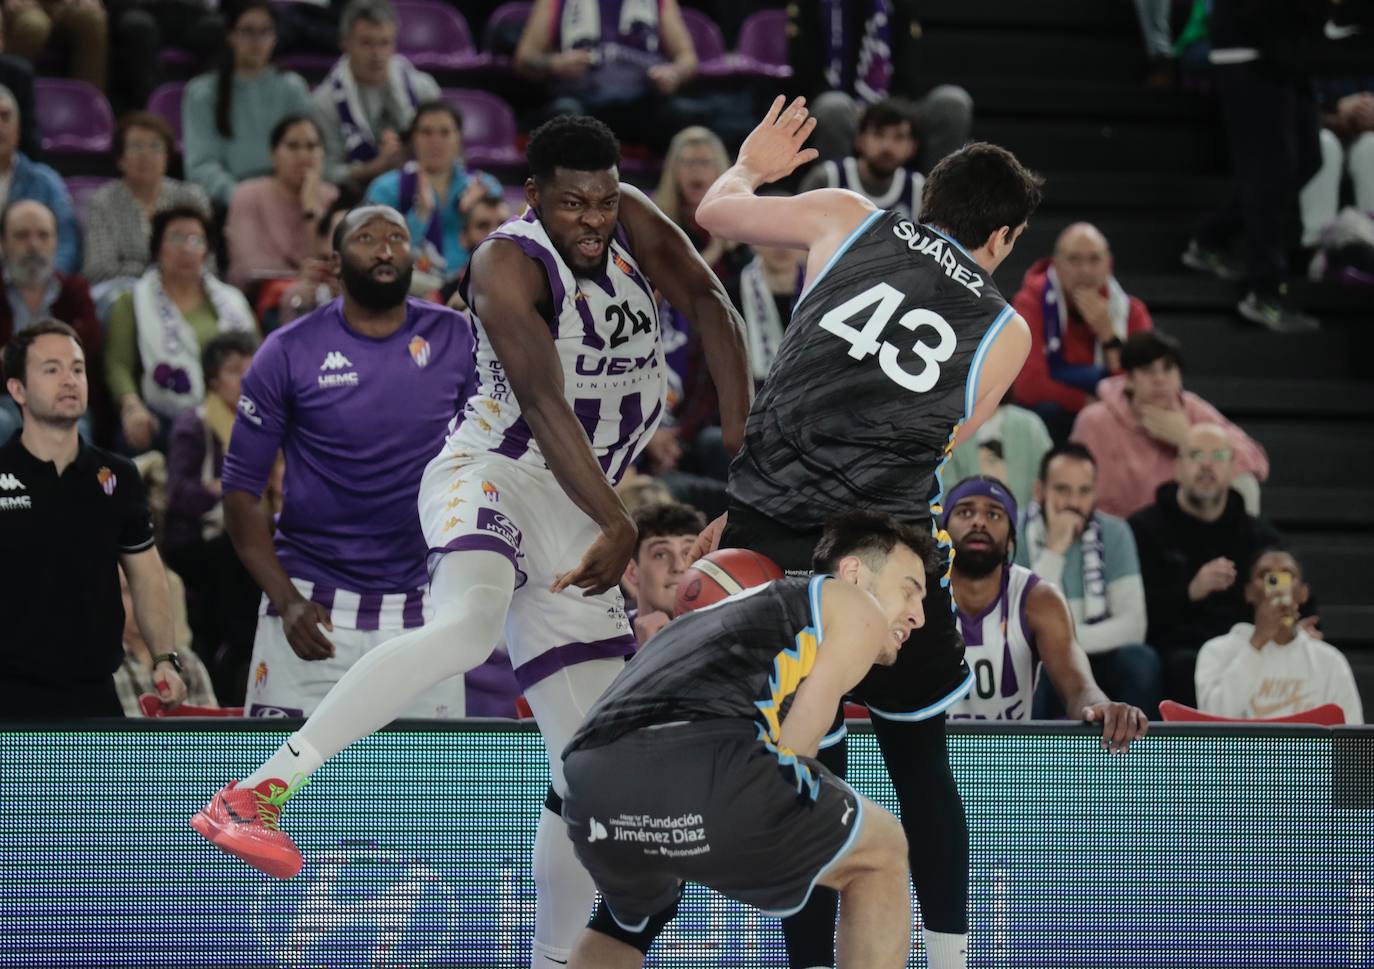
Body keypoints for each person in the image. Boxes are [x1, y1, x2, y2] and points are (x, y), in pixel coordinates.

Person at [190, 117, 752, 969]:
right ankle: (256, 793)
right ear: (534, 199)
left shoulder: (629, 217)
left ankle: (555, 959)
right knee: (467, 628)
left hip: (582, 506)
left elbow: (712, 304)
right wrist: (621, 521)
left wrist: (743, 468)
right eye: (571, 205)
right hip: (495, 472)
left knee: (590, 776)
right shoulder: (503, 262)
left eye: (602, 201)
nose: (593, 221)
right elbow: (540, 399)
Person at [693, 97, 1040, 969]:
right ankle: (953, 959)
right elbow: (943, 436)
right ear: (1000, 238)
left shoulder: (848, 215)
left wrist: (751, 165)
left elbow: (712, 213)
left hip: (771, 528)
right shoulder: (1005, 329)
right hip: (884, 553)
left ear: (928, 200)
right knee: (922, 768)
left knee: (805, 768)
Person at [561, 510, 928, 969]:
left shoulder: (695, 629)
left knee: (626, 924)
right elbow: (800, 741)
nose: (918, 615)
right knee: (883, 848)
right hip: (706, 763)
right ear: (853, 572)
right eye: (909, 590)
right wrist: (772, 828)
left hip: (589, 781)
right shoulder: (854, 606)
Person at [189, 205, 474, 722]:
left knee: (429, 801)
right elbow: (240, 491)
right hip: (310, 610)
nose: (385, 248)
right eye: (367, 238)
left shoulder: (456, 338)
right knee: (282, 797)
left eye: (397, 237)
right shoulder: (288, 351)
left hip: (423, 610)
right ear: (336, 264)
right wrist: (283, 598)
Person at [0, 319, 187, 718]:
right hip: (9, 696)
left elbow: (147, 573)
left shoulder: (118, 475)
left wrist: (164, 658)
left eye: (78, 369)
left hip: (96, 695)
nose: (69, 380)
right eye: (51, 370)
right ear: (17, 389)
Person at [941, 475, 1149, 737]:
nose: (979, 521)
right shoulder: (919, 595)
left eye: (994, 514)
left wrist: (1100, 706)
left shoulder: (1039, 599)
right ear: (943, 532)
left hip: (1009, 761)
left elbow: (1077, 686)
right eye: (965, 511)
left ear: (1010, 540)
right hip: (932, 760)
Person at [1129, 423, 1314, 708]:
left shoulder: (1261, 537)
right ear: (1177, 467)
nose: (1206, 466)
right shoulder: (1144, 529)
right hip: (1176, 651)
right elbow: (1135, 615)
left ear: (1232, 470)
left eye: (1217, 457)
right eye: (1196, 455)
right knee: (1177, 664)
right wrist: (1190, 591)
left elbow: (1301, 598)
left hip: (1247, 645)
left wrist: (1300, 628)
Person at [1179, 0, 1323, 332]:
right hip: (1250, 51)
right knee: (1272, 173)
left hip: (1291, 52)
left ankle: (1211, 236)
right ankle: (1265, 291)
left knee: (1307, 161)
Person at [1015, 444, 1161, 719]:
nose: (1073, 502)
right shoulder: (1017, 531)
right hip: (1044, 661)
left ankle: (1134, 756)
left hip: (1101, 656)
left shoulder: (1115, 532)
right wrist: (1054, 552)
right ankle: (1031, 758)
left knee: (1141, 661)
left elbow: (1133, 626)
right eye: (1062, 490)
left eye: (1084, 491)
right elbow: (1025, 622)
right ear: (1040, 491)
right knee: (1031, 665)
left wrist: (1064, 642)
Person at [105, 206, 256, 454]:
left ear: (206, 250)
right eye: (176, 238)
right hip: (165, 413)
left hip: (233, 408)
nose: (186, 248)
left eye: (196, 240)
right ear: (157, 247)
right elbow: (118, 365)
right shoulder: (131, 301)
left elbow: (259, 356)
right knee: (132, 436)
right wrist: (131, 406)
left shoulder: (233, 300)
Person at [1069, 330, 1268, 519]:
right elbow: (1082, 489)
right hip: (1124, 531)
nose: (1160, 379)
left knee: (1244, 482)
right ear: (1128, 379)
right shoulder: (1095, 421)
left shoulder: (1192, 408)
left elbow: (1256, 459)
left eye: (1168, 369)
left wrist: (1188, 439)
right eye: (1148, 370)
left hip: (1188, 525)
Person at [515, 0, 752, 153]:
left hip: (640, 105)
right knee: (563, 116)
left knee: (684, 116)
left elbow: (687, 59)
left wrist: (673, 75)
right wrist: (555, 63)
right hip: (583, 103)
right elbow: (525, 58)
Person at [164, 330, 261, 704]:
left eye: (251, 366)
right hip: (197, 540)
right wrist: (227, 490)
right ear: (212, 379)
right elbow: (179, 493)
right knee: (233, 550)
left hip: (250, 532)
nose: (247, 375)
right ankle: (237, 652)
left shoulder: (267, 420)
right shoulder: (196, 424)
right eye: (235, 369)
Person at [785, 1, 973, 173]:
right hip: (838, 107)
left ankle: (937, 199)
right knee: (834, 108)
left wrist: (891, 112)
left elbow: (909, 79)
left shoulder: (897, 6)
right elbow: (804, 78)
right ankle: (833, 202)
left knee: (952, 102)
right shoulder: (811, 6)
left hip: (894, 104)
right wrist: (860, 113)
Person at [1011, 222, 1155, 443]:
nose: (1085, 270)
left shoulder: (1132, 312)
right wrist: (1090, 404)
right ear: (1056, 264)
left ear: (1109, 264)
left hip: (1112, 421)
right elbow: (1027, 386)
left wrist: (1109, 337)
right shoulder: (1030, 303)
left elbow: (1142, 389)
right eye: (1074, 260)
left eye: (1094, 259)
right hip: (1056, 420)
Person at [1195, 549, 1361, 723]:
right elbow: (1213, 725)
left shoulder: (1329, 661)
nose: (1276, 585)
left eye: (1287, 576)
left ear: (1303, 593)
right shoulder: (1217, 651)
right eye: (1265, 575)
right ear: (1249, 592)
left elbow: (1351, 735)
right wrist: (1256, 643)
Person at [182, 0, 311, 210]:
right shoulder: (202, 93)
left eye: (265, 31)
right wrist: (242, 198)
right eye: (248, 31)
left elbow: (307, 151)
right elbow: (200, 165)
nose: (257, 40)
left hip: (287, 198)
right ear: (230, 35)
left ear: (275, 37)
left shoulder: (293, 87)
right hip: (229, 203)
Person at [364, 99, 504, 285]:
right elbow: (376, 252)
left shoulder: (486, 186)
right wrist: (421, 216)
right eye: (426, 132)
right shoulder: (384, 189)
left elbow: (501, 248)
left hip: (476, 282)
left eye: (445, 132)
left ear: (459, 139)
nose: (435, 142)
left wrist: (472, 213)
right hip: (408, 285)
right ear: (413, 139)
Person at [311, 0, 439, 192]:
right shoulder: (324, 102)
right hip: (353, 199)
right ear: (345, 43)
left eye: (384, 42)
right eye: (366, 43)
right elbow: (324, 171)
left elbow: (451, 154)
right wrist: (374, 168)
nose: (377, 54)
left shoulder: (424, 89)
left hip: (423, 189)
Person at [0, 199, 101, 442]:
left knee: (77, 432)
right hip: (4, 400)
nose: (33, 245)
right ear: (3, 243)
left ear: (56, 242)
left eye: (43, 236)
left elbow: (90, 345)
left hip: (64, 398)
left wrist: (14, 357)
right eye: (21, 236)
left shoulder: (74, 290)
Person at [82, 112, 211, 292]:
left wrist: (132, 266)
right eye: (136, 147)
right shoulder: (103, 201)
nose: (146, 155)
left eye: (155, 147)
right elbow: (98, 270)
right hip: (125, 292)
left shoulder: (191, 198)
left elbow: (208, 262)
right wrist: (164, 271)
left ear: (167, 156)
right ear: (120, 159)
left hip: (185, 289)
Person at [224, 114, 339, 291]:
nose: (303, 156)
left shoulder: (332, 197)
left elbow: (334, 263)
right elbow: (246, 267)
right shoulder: (248, 194)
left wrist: (310, 208)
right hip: (265, 297)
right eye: (292, 146)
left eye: (311, 146)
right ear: (273, 153)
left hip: (321, 295)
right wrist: (297, 278)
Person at [113, 564, 218, 715]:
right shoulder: (106, 668)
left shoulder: (187, 661)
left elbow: (214, 727)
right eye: (127, 591)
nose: (139, 598)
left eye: (150, 591)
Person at [799, 98, 924, 221]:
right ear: (860, 139)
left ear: (913, 147)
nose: (887, 146)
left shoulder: (918, 189)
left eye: (899, 137)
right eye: (878, 134)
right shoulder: (826, 178)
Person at [0, 84, 80, 273]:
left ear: (18, 130)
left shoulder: (46, 182)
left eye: (5, 117)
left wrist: (45, 286)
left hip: (34, 289)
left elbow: (66, 245)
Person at [938, 391, 1052, 513]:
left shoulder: (1030, 425)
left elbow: (1050, 480)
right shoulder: (949, 429)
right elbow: (943, 495)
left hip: (1028, 526)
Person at [620, 500, 704, 645]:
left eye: (688, 552)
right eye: (660, 554)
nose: (679, 566)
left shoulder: (730, 637)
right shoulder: (605, 639)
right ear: (632, 572)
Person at [3, 0, 106, 92]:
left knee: (92, 18)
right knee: (32, 26)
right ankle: (11, 98)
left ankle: (90, 103)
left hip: (65, 4)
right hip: (27, 7)